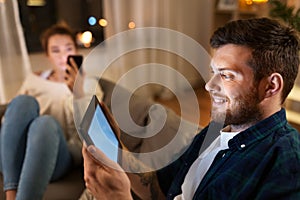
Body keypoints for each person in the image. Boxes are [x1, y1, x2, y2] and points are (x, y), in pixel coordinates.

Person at [81, 17, 300, 200]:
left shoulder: (287, 165)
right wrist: (116, 152)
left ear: (271, 86)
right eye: (213, 72)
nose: (209, 85)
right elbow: (158, 189)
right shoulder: (216, 132)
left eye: (226, 75)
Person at [0, 23, 101, 200]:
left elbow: (94, 132)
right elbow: (13, 117)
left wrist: (78, 94)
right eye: (56, 51)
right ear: (47, 55)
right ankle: (11, 194)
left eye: (68, 48)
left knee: (44, 123)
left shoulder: (90, 84)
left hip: (58, 153)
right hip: (21, 151)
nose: (63, 56)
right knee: (23, 102)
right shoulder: (34, 79)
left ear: (76, 51)